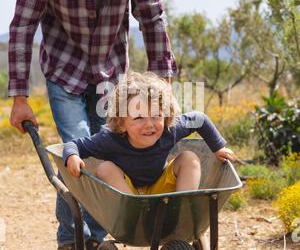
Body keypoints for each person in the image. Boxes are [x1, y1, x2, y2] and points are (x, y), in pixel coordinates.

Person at [8, 0, 177, 250]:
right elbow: (22, 25)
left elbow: (151, 17)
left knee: (109, 156)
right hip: (64, 71)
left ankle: (96, 241)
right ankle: (70, 246)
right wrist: (18, 96)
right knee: (77, 155)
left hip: (112, 76)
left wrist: (163, 82)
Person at [64, 72, 236, 195]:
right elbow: (75, 144)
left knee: (189, 158)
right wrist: (72, 155)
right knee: (105, 168)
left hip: (161, 188)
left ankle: (182, 207)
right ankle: (134, 215)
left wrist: (218, 147)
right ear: (122, 123)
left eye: (156, 115)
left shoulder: (170, 130)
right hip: (129, 191)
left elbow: (200, 118)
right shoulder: (109, 138)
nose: (149, 124)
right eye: (138, 118)